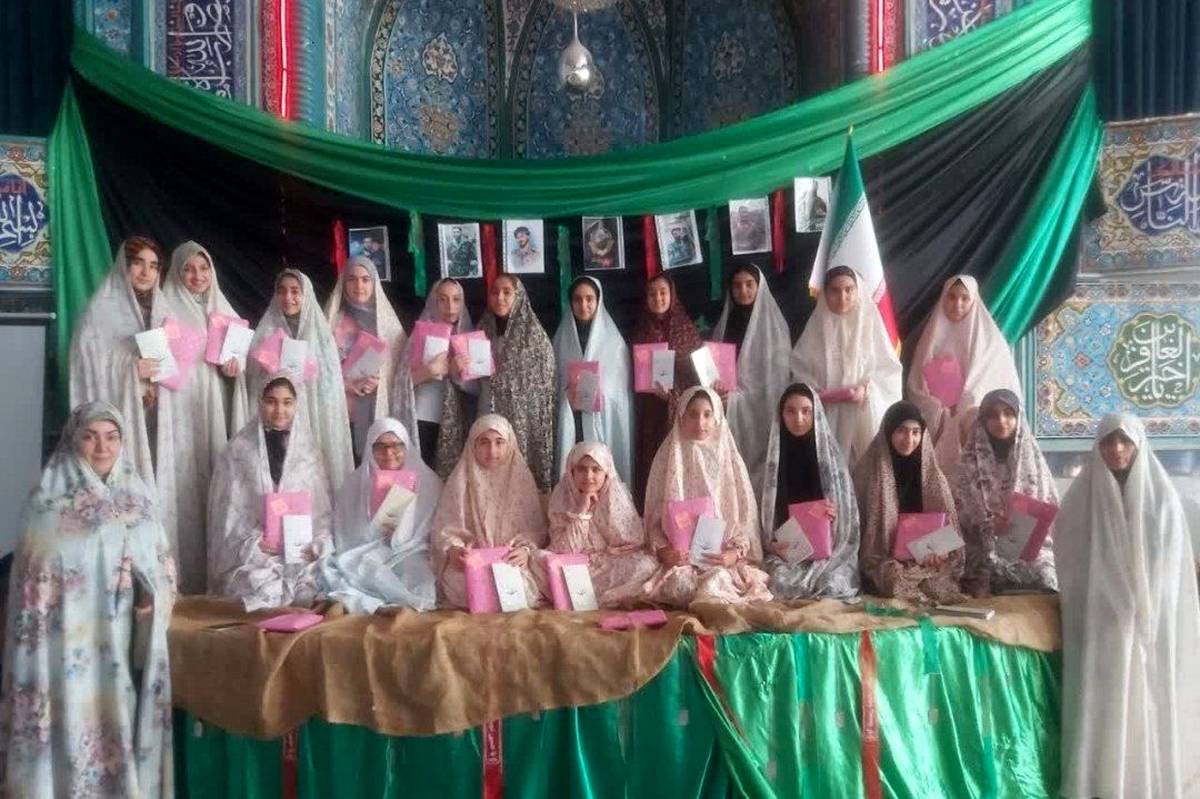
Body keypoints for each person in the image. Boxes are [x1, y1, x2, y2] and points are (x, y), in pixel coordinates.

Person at [0, 402, 175, 797]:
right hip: (65, 652)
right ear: (72, 441)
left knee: (121, 718)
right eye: (90, 437)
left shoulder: (139, 501)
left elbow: (162, 566)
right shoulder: (46, 505)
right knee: (72, 723)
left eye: (112, 438)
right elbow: (36, 584)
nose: (102, 448)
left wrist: (150, 599)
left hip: (124, 644)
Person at [1056, 414, 1200, 798]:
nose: (1116, 450)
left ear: (1138, 445)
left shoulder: (1161, 500)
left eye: (1124, 442)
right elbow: (1070, 560)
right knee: (1104, 704)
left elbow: (1166, 570)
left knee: (1147, 705)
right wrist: (1107, 600)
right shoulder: (1080, 501)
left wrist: (1137, 607)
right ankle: (1101, 783)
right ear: (1097, 447)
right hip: (1100, 625)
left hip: (1147, 627)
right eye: (1108, 442)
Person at [158, 240, 250, 593]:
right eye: (188, 269)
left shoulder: (222, 310)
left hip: (215, 411)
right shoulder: (164, 309)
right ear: (177, 273)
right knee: (184, 484)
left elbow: (241, 365)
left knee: (216, 479)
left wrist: (234, 370)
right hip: (180, 410)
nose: (197, 276)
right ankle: (185, 574)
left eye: (203, 268)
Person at [207, 377, 333, 610]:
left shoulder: (309, 452)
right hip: (256, 554)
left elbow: (321, 510)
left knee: (313, 592)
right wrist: (254, 543)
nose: (279, 410)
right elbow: (228, 513)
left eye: (287, 402)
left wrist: (315, 544)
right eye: (271, 401)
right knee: (262, 593)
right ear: (260, 402)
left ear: (296, 404)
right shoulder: (238, 450)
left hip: (300, 552)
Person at [643, 387, 772, 606]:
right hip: (679, 560)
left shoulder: (730, 460)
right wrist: (665, 551)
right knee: (678, 586)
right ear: (681, 417)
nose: (700, 422)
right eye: (692, 415)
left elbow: (744, 519)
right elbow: (653, 520)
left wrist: (733, 554)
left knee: (717, 582)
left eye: (707, 415)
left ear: (717, 418)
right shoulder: (667, 458)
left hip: (720, 559)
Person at [68, 237, 168, 494]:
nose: (146, 272)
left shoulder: (163, 309)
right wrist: (131, 370)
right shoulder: (99, 310)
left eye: (153, 266)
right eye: (138, 263)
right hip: (118, 418)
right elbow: (86, 365)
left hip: (157, 418)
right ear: (124, 265)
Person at [320, 418, 440, 613]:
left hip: (410, 550)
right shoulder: (353, 484)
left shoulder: (428, 483)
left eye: (396, 445)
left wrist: (401, 534)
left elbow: (431, 529)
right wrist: (373, 531)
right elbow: (345, 531)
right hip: (364, 550)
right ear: (370, 449)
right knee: (360, 570)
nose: (389, 453)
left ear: (406, 447)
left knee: (421, 579)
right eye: (380, 446)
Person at [907, 275, 1021, 477]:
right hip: (938, 428)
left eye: (964, 298)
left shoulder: (991, 343)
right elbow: (915, 388)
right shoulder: (930, 339)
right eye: (951, 297)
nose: (957, 304)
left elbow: (999, 389)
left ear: (973, 300)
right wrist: (938, 408)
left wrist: (963, 408)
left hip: (975, 427)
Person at [430, 415, 547, 609]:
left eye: (499, 442)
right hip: (473, 563)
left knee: (522, 587)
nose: (492, 450)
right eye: (484, 442)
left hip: (509, 561)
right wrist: (453, 550)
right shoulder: (459, 481)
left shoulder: (521, 480)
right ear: (473, 446)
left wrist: (525, 551)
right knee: (459, 586)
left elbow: (535, 530)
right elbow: (446, 528)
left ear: (509, 444)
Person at [247, 269, 354, 483]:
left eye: (295, 291)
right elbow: (250, 383)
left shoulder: (322, 337)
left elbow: (330, 389)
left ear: (306, 295)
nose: (288, 297)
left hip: (314, 417)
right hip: (277, 419)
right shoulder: (264, 334)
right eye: (282, 291)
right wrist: (267, 373)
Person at [853, 401, 965, 604]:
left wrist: (939, 551)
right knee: (893, 580)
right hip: (885, 560)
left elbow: (950, 530)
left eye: (915, 432)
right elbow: (857, 527)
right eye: (901, 431)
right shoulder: (867, 472)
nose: (909, 439)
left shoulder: (933, 476)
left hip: (926, 559)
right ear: (888, 432)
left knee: (937, 584)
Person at [791, 266, 901, 467]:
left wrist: (867, 391)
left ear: (858, 291)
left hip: (862, 418)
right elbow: (799, 371)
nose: (842, 297)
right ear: (825, 293)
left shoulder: (871, 326)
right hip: (824, 417)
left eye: (849, 290)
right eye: (834, 290)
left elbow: (889, 373)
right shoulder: (815, 330)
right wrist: (815, 393)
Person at [760, 384, 860, 599]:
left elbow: (849, 519)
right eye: (791, 411)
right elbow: (763, 521)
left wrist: (836, 516)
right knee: (780, 584)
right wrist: (770, 545)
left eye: (806, 411)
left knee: (832, 585)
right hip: (786, 554)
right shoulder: (771, 464)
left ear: (816, 414)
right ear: (781, 415)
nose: (799, 418)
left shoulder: (832, 461)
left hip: (829, 553)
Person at [956, 390, 1057, 596]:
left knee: (1046, 578)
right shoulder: (968, 465)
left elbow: (1050, 513)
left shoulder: (1034, 462)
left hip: (1032, 551)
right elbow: (956, 519)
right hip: (980, 548)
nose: (1001, 421)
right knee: (985, 580)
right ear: (983, 421)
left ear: (1018, 417)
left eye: (1008, 413)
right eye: (993, 415)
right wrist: (988, 526)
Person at [537, 442, 659, 608]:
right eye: (582, 469)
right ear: (572, 471)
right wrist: (582, 512)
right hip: (571, 566)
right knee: (537, 558)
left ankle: (582, 596)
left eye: (596, 469)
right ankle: (610, 597)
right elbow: (565, 550)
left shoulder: (616, 496)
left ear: (606, 472)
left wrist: (604, 555)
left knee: (647, 565)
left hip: (606, 566)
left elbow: (632, 543)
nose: (589, 476)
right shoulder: (561, 497)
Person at [712, 264, 791, 491]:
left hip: (761, 416)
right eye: (737, 286)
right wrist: (718, 391)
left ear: (759, 287)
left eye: (749, 284)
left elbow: (775, 384)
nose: (743, 291)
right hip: (725, 412)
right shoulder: (724, 325)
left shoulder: (775, 329)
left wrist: (738, 399)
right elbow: (715, 370)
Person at [391, 277, 481, 477]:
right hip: (424, 417)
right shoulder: (419, 335)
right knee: (421, 476)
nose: (450, 306)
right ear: (434, 302)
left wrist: (457, 373)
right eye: (443, 299)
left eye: (456, 299)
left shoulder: (468, 336)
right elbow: (401, 383)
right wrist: (428, 371)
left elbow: (477, 389)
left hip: (457, 422)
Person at [325, 255, 409, 462]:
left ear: (374, 283)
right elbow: (317, 369)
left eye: (365, 279)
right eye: (352, 279)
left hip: (378, 415)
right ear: (343, 284)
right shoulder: (331, 321)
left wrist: (381, 381)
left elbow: (401, 375)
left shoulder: (388, 326)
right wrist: (345, 385)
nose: (359, 285)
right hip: (339, 416)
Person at [630, 273, 703, 510]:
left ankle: (682, 517)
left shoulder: (686, 330)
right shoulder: (640, 332)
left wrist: (673, 397)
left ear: (672, 295)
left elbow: (699, 380)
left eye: (663, 292)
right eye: (652, 294)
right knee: (653, 467)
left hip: (681, 415)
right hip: (650, 414)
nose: (658, 298)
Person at [478, 274, 557, 491]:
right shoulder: (481, 331)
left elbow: (543, 391)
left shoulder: (535, 337)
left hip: (522, 423)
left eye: (507, 292)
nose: (500, 298)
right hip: (487, 415)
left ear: (519, 296)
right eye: (495, 292)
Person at [551, 277, 633, 483]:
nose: (583, 305)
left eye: (589, 298)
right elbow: (553, 384)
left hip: (602, 420)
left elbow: (619, 393)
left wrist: (599, 393)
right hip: (573, 419)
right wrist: (566, 396)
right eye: (577, 299)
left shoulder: (614, 343)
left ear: (598, 301)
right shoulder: (561, 341)